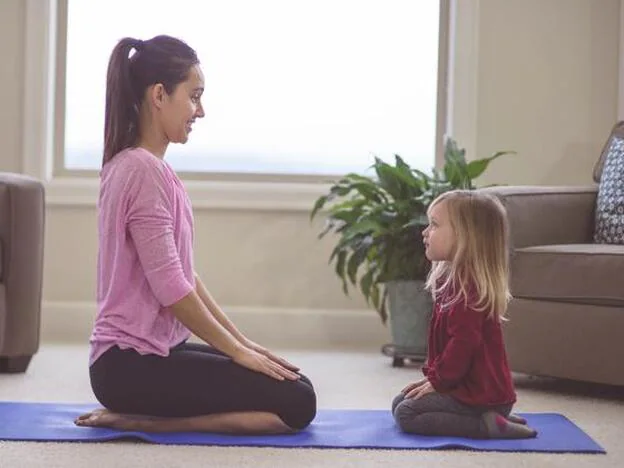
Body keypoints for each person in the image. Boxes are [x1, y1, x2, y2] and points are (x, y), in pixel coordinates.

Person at [74, 35, 316, 434]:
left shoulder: (144, 167)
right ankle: (142, 422)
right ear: (159, 95)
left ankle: (148, 415)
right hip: (129, 366)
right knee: (298, 403)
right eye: (194, 96)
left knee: (293, 383)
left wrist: (246, 346)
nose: (200, 111)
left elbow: (184, 274)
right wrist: (236, 351)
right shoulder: (141, 171)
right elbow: (172, 289)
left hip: (148, 355)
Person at [391, 190, 537, 439]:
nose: (424, 232)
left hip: (479, 395)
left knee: (406, 414)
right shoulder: (454, 280)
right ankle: (491, 415)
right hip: (470, 391)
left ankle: (487, 424)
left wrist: (437, 383)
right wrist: (434, 381)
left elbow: (462, 346)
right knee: (400, 402)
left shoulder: (468, 290)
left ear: (466, 237)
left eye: (434, 225)